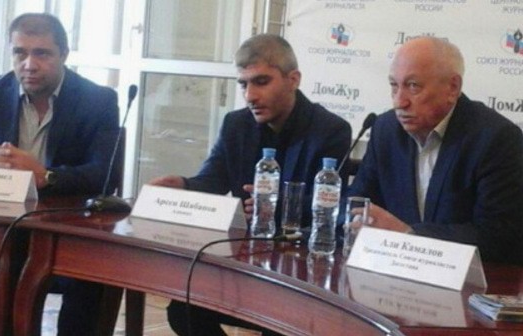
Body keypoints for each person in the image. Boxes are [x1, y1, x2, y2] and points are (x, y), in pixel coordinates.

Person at [0, 13, 120, 336]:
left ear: (63, 55)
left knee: (92, 283)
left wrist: (45, 176)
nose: (29, 64)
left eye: (41, 53)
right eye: (20, 53)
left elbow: (102, 175)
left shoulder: (97, 101)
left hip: (64, 231)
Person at [149, 34, 351, 336]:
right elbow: (212, 180)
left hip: (300, 270)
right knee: (183, 310)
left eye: (261, 82)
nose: (250, 95)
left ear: (293, 79)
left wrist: (277, 205)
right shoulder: (236, 124)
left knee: (281, 326)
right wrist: (183, 185)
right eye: (243, 84)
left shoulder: (330, 129)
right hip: (246, 261)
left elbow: (328, 207)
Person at [350, 36, 523, 265]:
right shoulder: (385, 130)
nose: (399, 102)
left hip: (474, 286)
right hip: (393, 275)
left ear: (452, 88)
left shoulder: (496, 138)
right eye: (394, 85)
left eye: (413, 86)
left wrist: (409, 236)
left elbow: (498, 237)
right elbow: (360, 204)